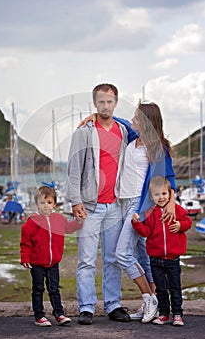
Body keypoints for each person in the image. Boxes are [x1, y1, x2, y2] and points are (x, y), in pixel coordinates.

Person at [79, 101, 176, 323]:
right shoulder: (133, 139)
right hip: (121, 203)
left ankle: (150, 298)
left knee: (122, 253)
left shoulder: (158, 148)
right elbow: (119, 122)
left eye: (136, 118)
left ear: (146, 122)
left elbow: (168, 177)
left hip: (139, 206)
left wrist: (170, 201)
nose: (132, 120)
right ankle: (156, 303)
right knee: (143, 255)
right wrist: (96, 115)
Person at [66, 83, 130, 325]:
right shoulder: (83, 133)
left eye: (110, 101)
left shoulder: (123, 131)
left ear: (116, 103)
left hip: (115, 205)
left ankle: (113, 304)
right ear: (95, 103)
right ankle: (86, 307)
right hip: (89, 207)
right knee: (86, 260)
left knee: (113, 258)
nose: (105, 106)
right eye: (101, 102)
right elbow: (74, 170)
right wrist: (75, 201)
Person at [20, 185, 84, 327]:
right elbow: (25, 243)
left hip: (53, 262)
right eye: (42, 203)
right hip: (37, 263)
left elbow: (68, 229)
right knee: (38, 289)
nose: (46, 206)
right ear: (37, 204)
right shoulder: (31, 222)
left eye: (49, 202)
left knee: (54, 289)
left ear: (54, 203)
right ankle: (39, 316)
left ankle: (59, 314)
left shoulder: (59, 219)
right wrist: (25, 258)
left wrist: (78, 222)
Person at [132, 176, 192, 326]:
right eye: (157, 194)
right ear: (151, 197)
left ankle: (177, 314)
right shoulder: (150, 214)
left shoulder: (176, 209)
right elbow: (145, 232)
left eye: (164, 194)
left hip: (173, 259)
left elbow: (188, 222)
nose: (161, 197)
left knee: (175, 288)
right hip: (155, 259)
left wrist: (180, 225)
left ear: (170, 194)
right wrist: (136, 224)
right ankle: (164, 313)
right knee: (160, 289)